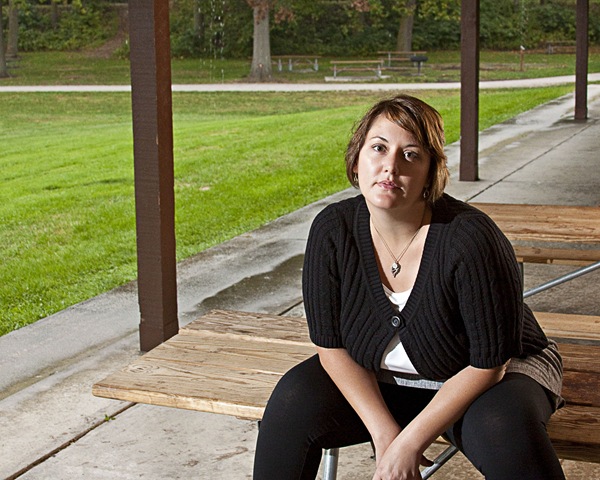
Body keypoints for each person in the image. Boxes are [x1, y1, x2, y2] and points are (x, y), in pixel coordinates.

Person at [253, 94, 565, 480]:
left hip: (491, 373)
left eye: (411, 154)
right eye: (378, 148)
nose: (391, 166)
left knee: (502, 427)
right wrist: (385, 434)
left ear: (430, 174)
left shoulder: (469, 238)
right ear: (356, 159)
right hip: (385, 375)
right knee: (291, 403)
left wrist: (409, 444)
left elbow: (490, 362)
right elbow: (330, 346)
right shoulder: (333, 230)